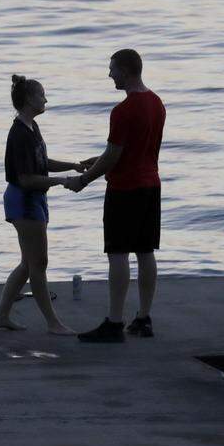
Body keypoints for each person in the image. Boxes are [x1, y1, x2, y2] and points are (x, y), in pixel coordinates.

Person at [67, 49, 165, 343]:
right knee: (146, 252)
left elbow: (114, 157)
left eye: (112, 69)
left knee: (118, 253)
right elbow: (134, 148)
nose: (109, 74)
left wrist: (83, 179)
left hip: (125, 190)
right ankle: (144, 317)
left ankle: (114, 321)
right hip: (151, 185)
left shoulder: (122, 111)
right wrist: (98, 159)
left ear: (125, 70)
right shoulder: (156, 103)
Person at [0, 75, 80, 335]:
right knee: (38, 262)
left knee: (28, 263)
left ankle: (1, 315)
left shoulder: (31, 127)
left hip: (35, 199)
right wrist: (63, 181)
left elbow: (42, 162)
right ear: (29, 100)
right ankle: (53, 323)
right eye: (42, 95)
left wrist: (72, 165)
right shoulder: (19, 133)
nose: (46, 99)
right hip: (24, 200)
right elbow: (27, 179)